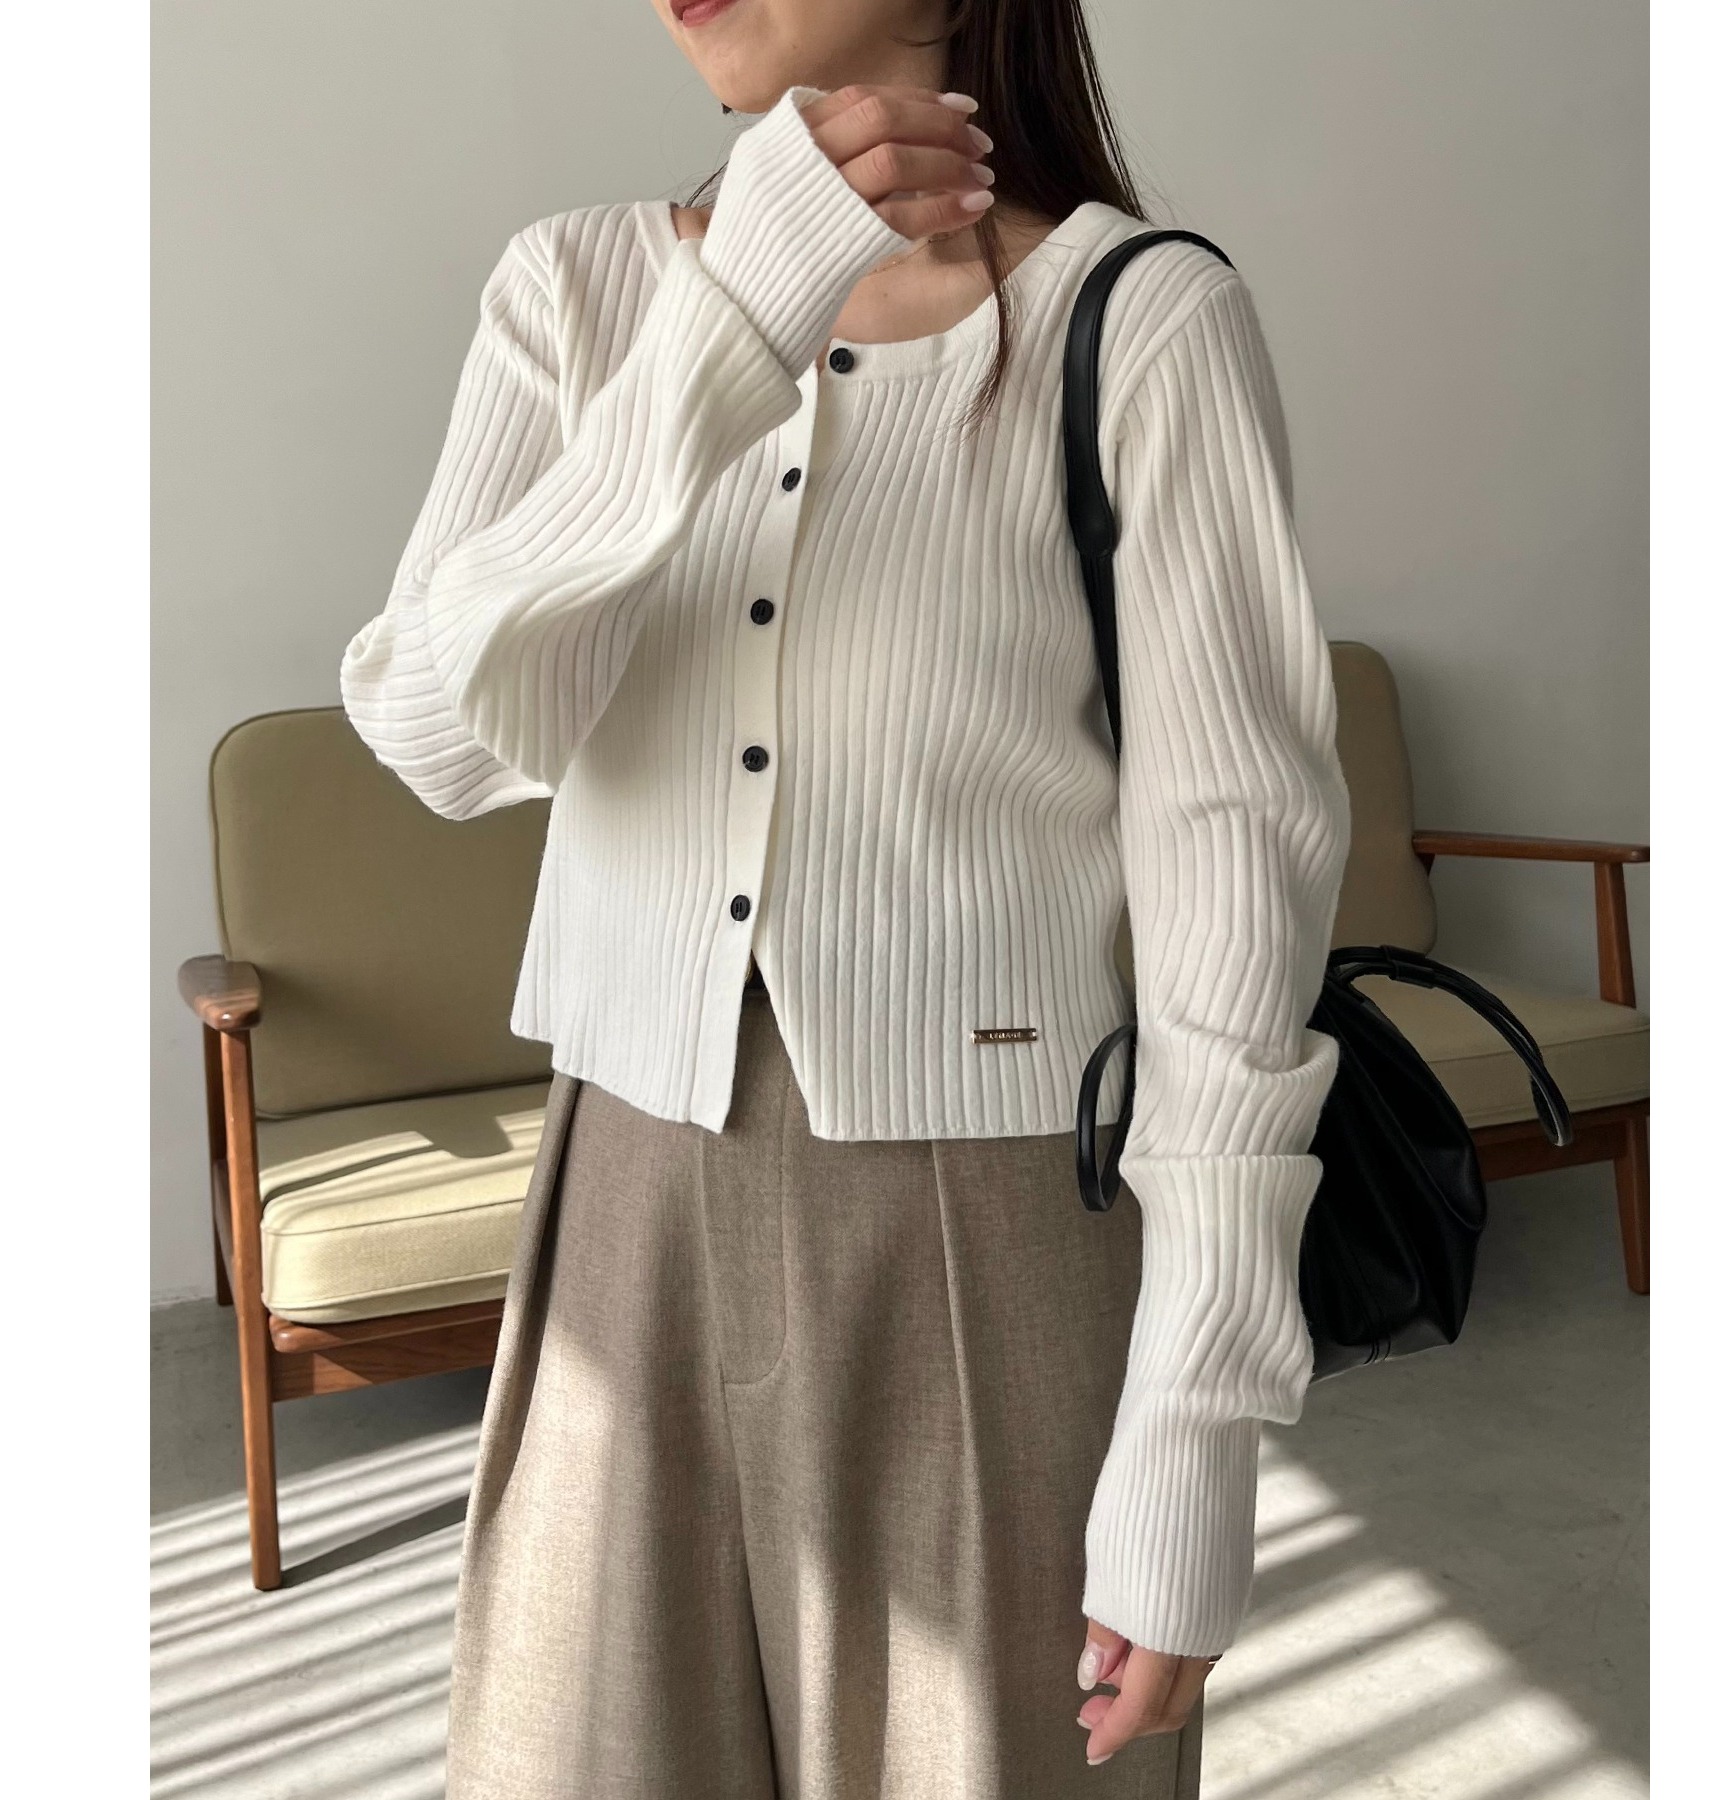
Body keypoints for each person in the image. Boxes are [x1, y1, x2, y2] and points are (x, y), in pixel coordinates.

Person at [339, 1, 1352, 1793]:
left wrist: (1195, 1435)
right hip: (625, 1199)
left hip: (997, 1215)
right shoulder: (576, 288)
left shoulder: (1137, 318)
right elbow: (441, 739)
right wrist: (727, 325)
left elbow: (1234, 881)